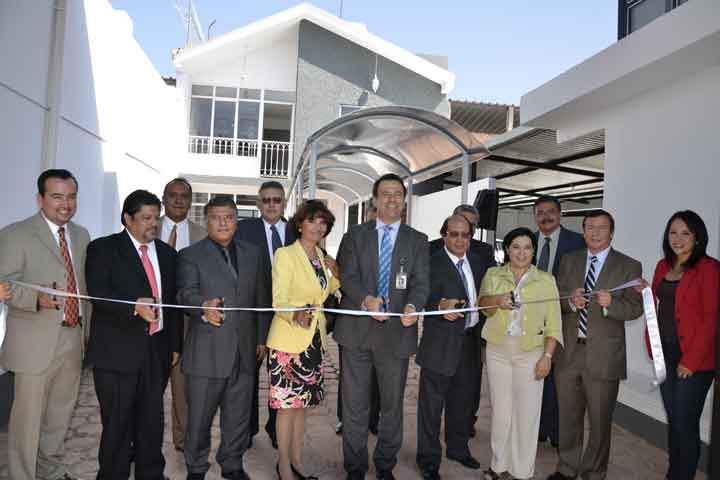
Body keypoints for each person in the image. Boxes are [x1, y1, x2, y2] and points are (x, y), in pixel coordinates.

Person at [335, 173, 430, 480]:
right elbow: (347, 276)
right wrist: (366, 300)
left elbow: (421, 283)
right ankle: (355, 467)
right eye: (385, 193)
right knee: (354, 406)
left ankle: (385, 465)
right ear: (374, 200)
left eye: (397, 194)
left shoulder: (418, 240)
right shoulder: (355, 236)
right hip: (356, 332)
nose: (392, 199)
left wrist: (413, 306)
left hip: (396, 334)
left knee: (392, 406)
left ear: (404, 200)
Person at [85, 189, 182, 480]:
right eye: (146, 218)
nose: (154, 224)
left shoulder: (167, 254)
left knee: (152, 420)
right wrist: (133, 307)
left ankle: (150, 473)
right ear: (128, 218)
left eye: (156, 217)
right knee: (117, 422)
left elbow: (174, 303)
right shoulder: (103, 249)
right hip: (117, 352)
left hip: (157, 350)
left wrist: (174, 345)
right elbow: (98, 293)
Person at [0, 169, 90, 480]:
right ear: (40, 199)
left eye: (71, 197)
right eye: (57, 197)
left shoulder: (81, 235)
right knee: (27, 421)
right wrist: (35, 298)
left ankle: (50, 470)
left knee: (58, 416)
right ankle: (22, 474)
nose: (66, 204)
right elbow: (3, 283)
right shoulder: (16, 234)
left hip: (73, 338)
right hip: (33, 342)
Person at [176, 195, 271, 480]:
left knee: (238, 416)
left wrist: (261, 337)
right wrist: (202, 307)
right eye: (216, 218)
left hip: (244, 350)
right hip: (207, 351)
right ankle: (195, 467)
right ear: (207, 221)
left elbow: (261, 297)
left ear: (236, 221)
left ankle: (232, 463)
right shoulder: (190, 255)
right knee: (199, 419)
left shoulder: (253, 253)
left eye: (228, 217)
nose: (223, 223)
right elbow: (185, 294)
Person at [547, 210, 644, 480]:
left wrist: (612, 304)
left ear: (611, 233)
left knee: (600, 420)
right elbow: (555, 299)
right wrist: (569, 301)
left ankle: (594, 471)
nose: (595, 232)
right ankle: (567, 467)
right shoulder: (569, 260)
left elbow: (635, 308)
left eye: (602, 228)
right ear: (583, 230)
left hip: (604, 355)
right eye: (590, 227)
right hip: (569, 352)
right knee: (568, 416)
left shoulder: (628, 265)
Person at [477, 227, 563, 480]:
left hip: (531, 353)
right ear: (507, 249)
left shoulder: (546, 280)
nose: (521, 253)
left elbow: (554, 323)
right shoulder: (493, 274)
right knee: (501, 413)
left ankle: (522, 471)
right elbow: (482, 306)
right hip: (497, 351)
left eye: (527, 247)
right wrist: (498, 300)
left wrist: (547, 357)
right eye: (516, 247)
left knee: (527, 414)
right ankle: (498, 466)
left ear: (534, 251)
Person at [415, 214, 496, 479]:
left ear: (471, 237)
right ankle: (428, 459)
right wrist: (439, 305)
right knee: (431, 407)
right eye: (454, 234)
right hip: (439, 344)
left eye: (465, 235)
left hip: (470, 342)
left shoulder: (479, 261)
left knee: (463, 402)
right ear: (444, 236)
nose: (460, 240)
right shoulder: (430, 263)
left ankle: (458, 449)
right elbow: (418, 296)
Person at [265, 199, 340, 480]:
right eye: (312, 220)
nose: (318, 227)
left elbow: (327, 290)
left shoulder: (321, 256)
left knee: (301, 407)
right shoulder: (285, 255)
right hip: (288, 342)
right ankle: (283, 465)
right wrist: (294, 314)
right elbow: (278, 300)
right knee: (286, 409)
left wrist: (337, 273)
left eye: (323, 222)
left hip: (314, 341)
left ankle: (297, 460)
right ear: (299, 224)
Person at [641, 210, 718, 480]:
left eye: (686, 233)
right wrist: (644, 291)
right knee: (674, 419)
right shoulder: (663, 265)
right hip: (664, 352)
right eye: (673, 232)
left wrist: (691, 361)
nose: (678, 238)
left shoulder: (709, 268)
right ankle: (674, 473)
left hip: (693, 359)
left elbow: (711, 318)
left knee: (685, 422)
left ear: (697, 237)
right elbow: (659, 302)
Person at [234, 180, 297, 449]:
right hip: (252, 313)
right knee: (247, 374)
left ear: (284, 203)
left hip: (287, 317)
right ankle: (246, 430)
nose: (272, 204)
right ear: (259, 203)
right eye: (266, 200)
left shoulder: (297, 230)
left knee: (281, 376)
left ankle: (275, 429)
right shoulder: (243, 229)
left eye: (277, 200)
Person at [533, 195, 585, 447]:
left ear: (560, 213)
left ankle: (556, 430)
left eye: (550, 211)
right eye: (540, 212)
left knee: (559, 378)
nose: (546, 216)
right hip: (531, 320)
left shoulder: (578, 243)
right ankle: (538, 427)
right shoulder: (526, 241)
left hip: (565, 318)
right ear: (535, 217)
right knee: (535, 373)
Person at [160, 177, 206, 453]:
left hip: (189, 321)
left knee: (184, 387)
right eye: (172, 195)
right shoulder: (147, 227)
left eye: (184, 196)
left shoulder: (202, 234)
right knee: (149, 386)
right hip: (153, 318)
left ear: (190, 201)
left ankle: (183, 440)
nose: (178, 200)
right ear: (163, 198)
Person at [336, 204, 381, 437]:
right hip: (355, 322)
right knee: (351, 380)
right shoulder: (351, 239)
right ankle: (346, 420)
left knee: (378, 378)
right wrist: (364, 299)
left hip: (385, 323)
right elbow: (344, 275)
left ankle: (373, 419)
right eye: (372, 218)